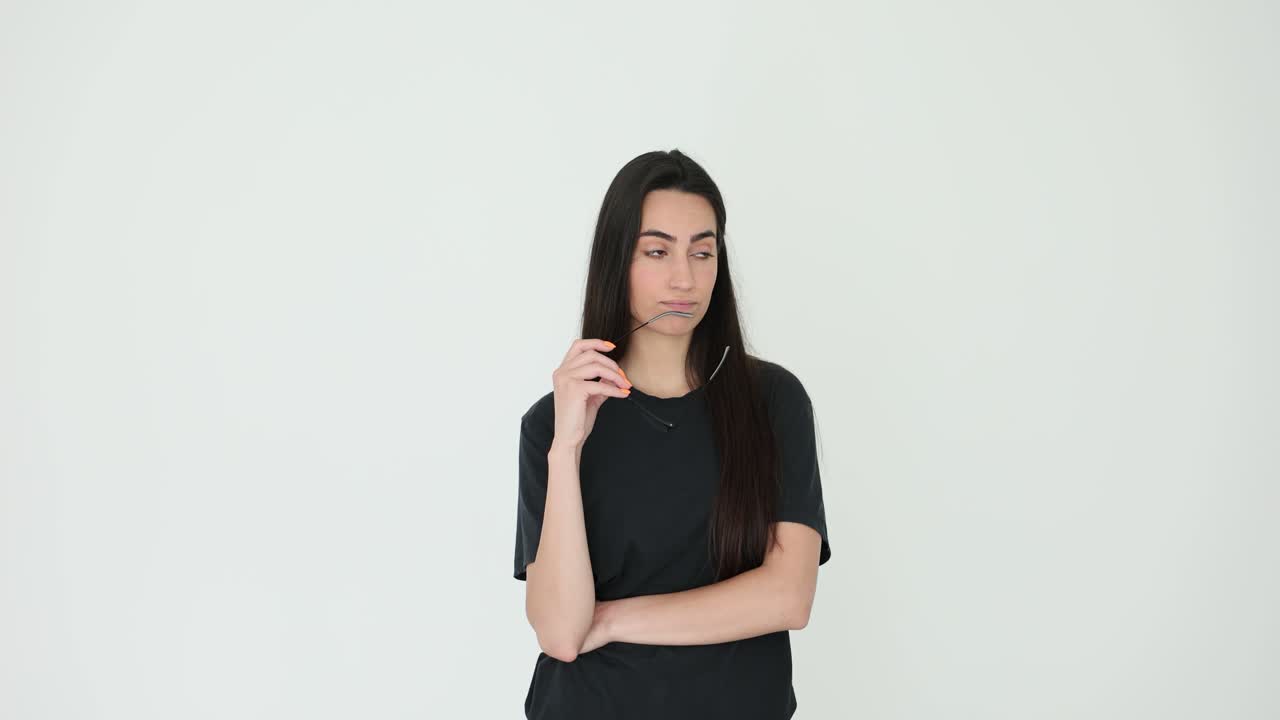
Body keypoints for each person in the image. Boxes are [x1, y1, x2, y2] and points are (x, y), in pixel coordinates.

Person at [512, 149, 832, 719]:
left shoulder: (774, 402)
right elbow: (562, 634)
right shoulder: (551, 425)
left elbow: (788, 596)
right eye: (657, 251)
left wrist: (611, 620)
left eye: (702, 252)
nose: (684, 277)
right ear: (618, 260)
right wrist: (567, 451)